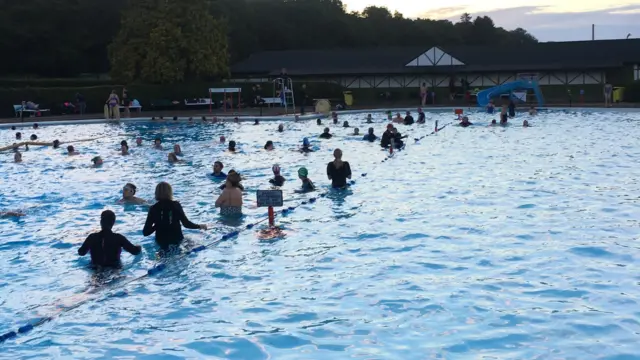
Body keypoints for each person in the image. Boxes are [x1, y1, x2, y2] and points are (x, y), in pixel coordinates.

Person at [143, 182, 207, 250]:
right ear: (170, 192)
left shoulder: (153, 208)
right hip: (177, 239)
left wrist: (158, 225)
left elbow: (146, 232)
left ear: (156, 193)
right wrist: (200, 226)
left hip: (161, 242)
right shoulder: (176, 205)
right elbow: (186, 224)